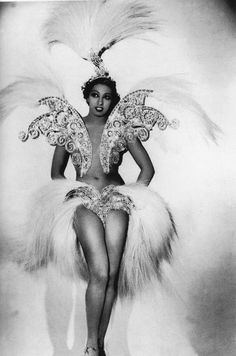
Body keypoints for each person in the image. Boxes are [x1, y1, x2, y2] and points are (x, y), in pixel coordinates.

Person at [50, 76, 155, 356]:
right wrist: (71, 193)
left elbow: (147, 169)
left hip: (116, 199)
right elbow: (56, 173)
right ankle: (91, 345)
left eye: (107, 97)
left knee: (111, 273)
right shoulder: (70, 127)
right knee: (98, 271)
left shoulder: (121, 128)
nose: (100, 102)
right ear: (86, 97)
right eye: (95, 95)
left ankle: (98, 344)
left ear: (113, 100)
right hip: (84, 200)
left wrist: (133, 196)